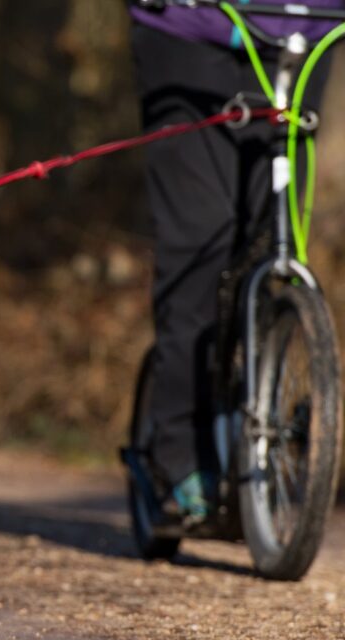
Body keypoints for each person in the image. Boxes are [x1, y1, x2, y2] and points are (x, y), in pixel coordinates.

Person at [127, 0, 343, 523]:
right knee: (202, 235)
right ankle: (176, 450)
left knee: (270, 235)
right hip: (191, 30)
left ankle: (249, 417)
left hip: (308, 30)